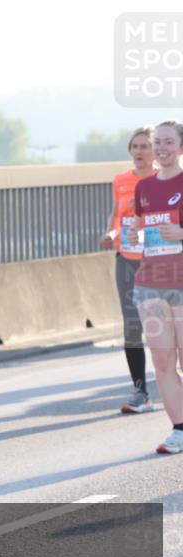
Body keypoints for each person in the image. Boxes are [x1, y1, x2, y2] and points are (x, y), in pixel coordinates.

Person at [127, 120, 183, 454]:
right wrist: (133, 236)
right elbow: (139, 229)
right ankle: (179, 430)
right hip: (149, 284)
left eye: (168, 142)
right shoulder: (143, 187)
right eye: (156, 142)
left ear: (180, 146)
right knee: (162, 362)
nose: (160, 148)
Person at [100, 127, 157, 413]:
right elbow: (117, 213)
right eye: (134, 146)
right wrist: (111, 233)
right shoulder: (121, 180)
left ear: (155, 150)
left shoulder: (167, 180)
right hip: (126, 260)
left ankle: (173, 381)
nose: (139, 151)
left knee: (165, 327)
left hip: (159, 262)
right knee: (132, 327)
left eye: (145, 146)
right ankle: (140, 392)